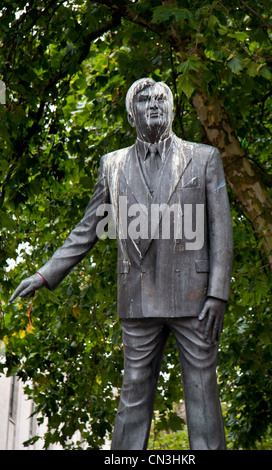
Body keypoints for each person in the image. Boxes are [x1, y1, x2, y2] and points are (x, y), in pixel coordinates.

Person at [10, 78, 233, 450]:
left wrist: (218, 294)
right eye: (145, 100)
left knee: (202, 393)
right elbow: (88, 229)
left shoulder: (204, 158)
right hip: (137, 298)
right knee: (132, 395)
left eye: (162, 98)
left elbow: (221, 232)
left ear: (173, 109)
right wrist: (44, 274)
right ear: (132, 115)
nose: (155, 104)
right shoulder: (111, 165)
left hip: (195, 300)